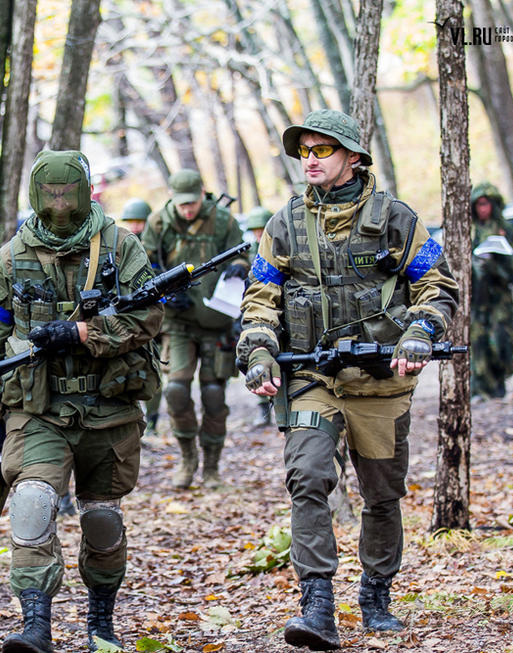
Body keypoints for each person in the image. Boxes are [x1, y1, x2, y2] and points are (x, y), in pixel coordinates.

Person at [237, 110, 459, 650]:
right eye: (304, 151)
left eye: (323, 151)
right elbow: (260, 299)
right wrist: (260, 351)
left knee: (382, 495)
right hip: (313, 376)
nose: (310, 160)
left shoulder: (396, 219)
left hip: (381, 383)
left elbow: (436, 285)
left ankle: (376, 593)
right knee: (308, 477)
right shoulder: (284, 224)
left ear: (353, 158)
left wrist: (420, 334)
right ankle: (316, 606)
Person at [0, 150, 163, 653]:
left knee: (101, 519)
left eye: (66, 192)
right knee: (32, 505)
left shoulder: (122, 248)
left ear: (85, 190)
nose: (59, 203)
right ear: (36, 195)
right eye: (49, 193)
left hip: (110, 407)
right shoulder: (11, 256)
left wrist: (83, 332)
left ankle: (101, 620)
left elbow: (147, 319)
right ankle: (36, 626)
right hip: (38, 411)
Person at [141, 169, 249, 489]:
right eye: (182, 203)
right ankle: (187, 458)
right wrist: (164, 292)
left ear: (203, 194)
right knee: (175, 389)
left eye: (193, 202)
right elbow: (144, 265)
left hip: (216, 318)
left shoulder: (223, 220)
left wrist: (238, 268)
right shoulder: (159, 223)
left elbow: (246, 254)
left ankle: (212, 467)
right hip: (177, 321)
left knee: (214, 394)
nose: (188, 209)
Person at [470, 182, 513, 400]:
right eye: (478, 205)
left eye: (486, 204)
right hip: (477, 297)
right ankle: (480, 389)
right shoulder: (471, 230)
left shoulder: (505, 229)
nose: (482, 209)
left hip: (499, 297)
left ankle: (499, 384)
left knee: (501, 341)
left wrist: (499, 261)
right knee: (478, 342)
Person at [119, 198, 165, 437]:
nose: (135, 227)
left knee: (153, 369)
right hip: (126, 321)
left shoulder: (157, 245)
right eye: (131, 222)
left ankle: (154, 421)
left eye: (139, 222)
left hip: (155, 321)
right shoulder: (120, 248)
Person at [245, 206, 275, 427]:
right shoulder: (249, 250)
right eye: (254, 230)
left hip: (273, 310)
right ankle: (262, 407)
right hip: (251, 309)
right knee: (257, 357)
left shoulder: (278, 246)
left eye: (261, 229)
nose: (258, 234)